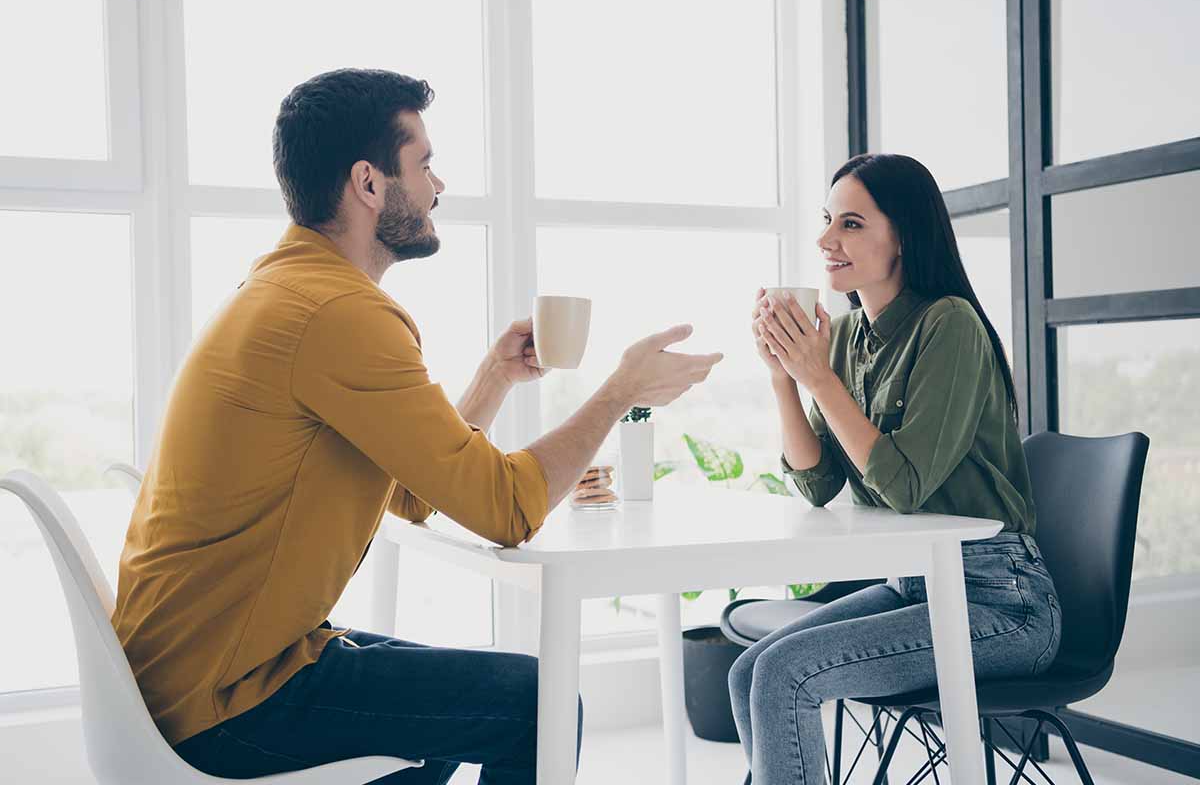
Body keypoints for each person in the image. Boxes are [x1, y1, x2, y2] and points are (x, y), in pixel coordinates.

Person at [111, 68, 723, 784]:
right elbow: (507, 509)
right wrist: (620, 391)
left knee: (449, 716)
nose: (438, 186)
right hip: (228, 703)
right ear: (369, 184)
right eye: (424, 164)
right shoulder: (341, 314)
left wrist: (493, 379)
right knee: (541, 705)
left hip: (192, 678)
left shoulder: (286, 289)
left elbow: (406, 493)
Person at [728, 153, 1061, 784]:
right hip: (916, 586)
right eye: (827, 221)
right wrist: (784, 379)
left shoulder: (950, 324)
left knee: (782, 675)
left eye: (850, 224)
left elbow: (905, 487)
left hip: (1004, 604)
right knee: (751, 669)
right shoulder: (850, 334)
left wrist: (818, 377)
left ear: (902, 236)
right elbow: (819, 482)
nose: (826, 240)